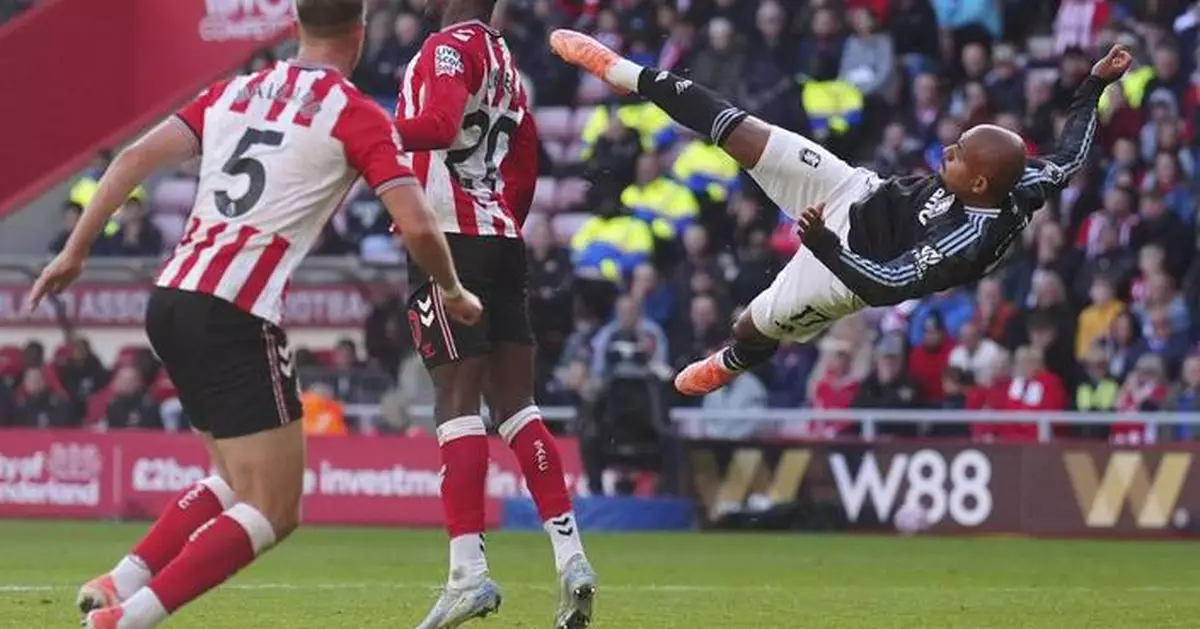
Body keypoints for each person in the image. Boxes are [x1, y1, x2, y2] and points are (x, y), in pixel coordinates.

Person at [28, 2, 482, 627]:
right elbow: (418, 225)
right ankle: (124, 620)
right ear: (360, 34)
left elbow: (130, 159)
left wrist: (76, 251)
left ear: (294, 27)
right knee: (273, 507)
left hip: (171, 299)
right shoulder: (355, 113)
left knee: (234, 476)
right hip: (235, 310)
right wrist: (453, 289)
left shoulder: (234, 91)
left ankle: (121, 580)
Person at [550, 31, 1132, 397]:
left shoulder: (969, 239)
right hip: (855, 189)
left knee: (750, 327)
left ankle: (732, 361)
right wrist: (1094, 84)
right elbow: (1070, 156)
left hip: (847, 269)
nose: (944, 153)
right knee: (741, 131)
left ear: (980, 183)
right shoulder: (1024, 178)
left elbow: (888, 285)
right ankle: (622, 72)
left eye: (955, 156)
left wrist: (827, 248)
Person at [395, 2, 596, 627]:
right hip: (501, 238)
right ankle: (571, 556)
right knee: (518, 407)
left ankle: (468, 575)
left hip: (448, 238)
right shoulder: (505, 60)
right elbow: (526, 159)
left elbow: (438, 124)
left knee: (457, 404)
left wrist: (363, 132)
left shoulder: (446, 48)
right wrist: (504, 222)